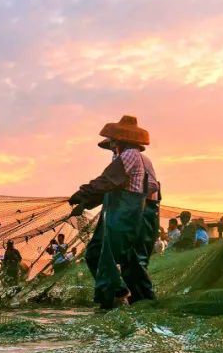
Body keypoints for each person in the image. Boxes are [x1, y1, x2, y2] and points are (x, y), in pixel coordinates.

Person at [68, 115, 161, 309]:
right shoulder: (121, 157)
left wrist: (84, 193)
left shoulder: (131, 155)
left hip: (131, 212)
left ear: (119, 140)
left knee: (118, 258)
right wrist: (85, 202)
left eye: (112, 142)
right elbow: (110, 185)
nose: (111, 146)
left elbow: (109, 180)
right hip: (117, 211)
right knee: (96, 253)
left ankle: (117, 297)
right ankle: (125, 294)